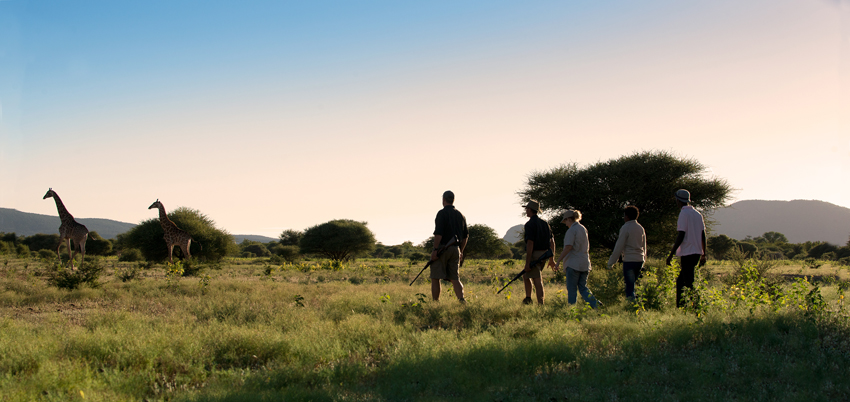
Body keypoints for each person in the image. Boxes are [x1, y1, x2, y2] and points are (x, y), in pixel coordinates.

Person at [665, 189, 707, 308]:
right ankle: (681, 306)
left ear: (678, 200)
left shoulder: (683, 213)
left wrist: (671, 254)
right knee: (682, 281)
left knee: (689, 282)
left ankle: (697, 307)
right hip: (697, 252)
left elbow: (681, 235)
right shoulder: (698, 214)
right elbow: (703, 235)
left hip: (688, 252)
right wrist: (704, 254)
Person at [554, 210, 599, 309]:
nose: (565, 224)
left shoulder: (571, 231)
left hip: (573, 264)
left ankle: (571, 310)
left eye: (565, 221)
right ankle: (595, 305)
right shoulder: (583, 228)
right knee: (583, 288)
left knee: (572, 289)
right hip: (584, 263)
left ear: (569, 219)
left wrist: (558, 261)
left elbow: (568, 247)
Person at [430, 190, 469, 302]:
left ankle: (435, 302)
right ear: (453, 200)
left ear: (443, 200)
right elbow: (466, 236)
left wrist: (435, 250)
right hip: (456, 249)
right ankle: (461, 300)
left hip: (443, 249)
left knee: (435, 276)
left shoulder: (441, 213)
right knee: (455, 278)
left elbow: (439, 234)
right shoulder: (460, 215)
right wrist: (460, 251)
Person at [607, 205, 647, 301]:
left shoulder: (625, 228)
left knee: (629, 286)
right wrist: (644, 260)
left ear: (627, 216)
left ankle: (632, 306)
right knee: (634, 284)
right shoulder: (640, 228)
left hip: (629, 260)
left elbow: (619, 246)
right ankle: (637, 302)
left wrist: (611, 262)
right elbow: (644, 245)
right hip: (639, 259)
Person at [521, 200, 556, 305]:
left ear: (530, 210)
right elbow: (552, 241)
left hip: (535, 255)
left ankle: (541, 303)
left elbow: (530, 243)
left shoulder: (529, 224)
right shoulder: (545, 224)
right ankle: (528, 298)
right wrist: (551, 258)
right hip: (545, 254)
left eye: (527, 208)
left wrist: (528, 262)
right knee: (526, 275)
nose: (526, 210)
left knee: (537, 279)